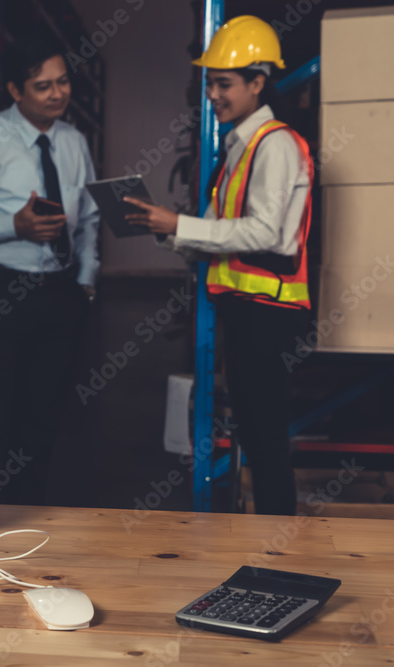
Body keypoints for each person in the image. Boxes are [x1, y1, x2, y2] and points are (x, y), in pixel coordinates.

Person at [125, 16, 312, 516]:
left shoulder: (275, 144)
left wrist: (180, 225)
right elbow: (211, 235)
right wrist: (162, 228)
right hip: (245, 309)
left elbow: (264, 233)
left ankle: (280, 553)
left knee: (266, 436)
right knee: (254, 429)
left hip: (270, 312)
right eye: (209, 82)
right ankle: (265, 544)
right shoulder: (239, 148)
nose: (213, 94)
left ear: (257, 83)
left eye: (223, 83)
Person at [0, 36, 100, 505]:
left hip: (59, 293)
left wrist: (85, 280)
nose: (57, 93)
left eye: (62, 82)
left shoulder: (75, 142)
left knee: (45, 410)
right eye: (43, 86)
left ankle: (29, 513)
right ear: (16, 91)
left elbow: (91, 217)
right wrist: (11, 225)